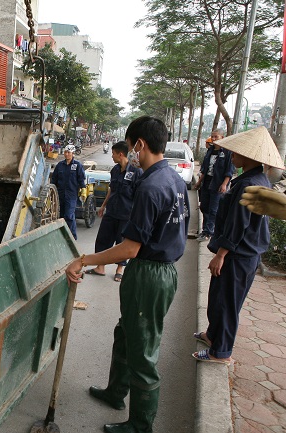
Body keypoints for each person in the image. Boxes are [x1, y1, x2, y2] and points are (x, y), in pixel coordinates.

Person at [66, 116, 189, 433]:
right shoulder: (175, 180)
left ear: (140, 145)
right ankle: (115, 393)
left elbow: (130, 249)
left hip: (149, 273)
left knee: (143, 349)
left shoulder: (150, 186)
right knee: (127, 333)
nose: (131, 152)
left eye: (132, 146)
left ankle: (140, 425)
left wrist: (84, 259)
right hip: (160, 271)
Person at [192, 126, 285, 364]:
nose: (232, 155)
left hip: (239, 254)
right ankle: (213, 336)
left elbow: (238, 224)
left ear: (250, 157)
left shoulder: (249, 184)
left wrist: (221, 254)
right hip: (240, 252)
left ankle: (220, 352)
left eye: (237, 152)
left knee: (228, 303)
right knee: (218, 297)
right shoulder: (252, 180)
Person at [85, 141, 142, 281]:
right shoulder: (115, 170)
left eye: (113, 154)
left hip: (126, 214)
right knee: (103, 238)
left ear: (120, 154)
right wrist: (103, 205)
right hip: (111, 211)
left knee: (121, 242)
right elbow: (111, 189)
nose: (112, 156)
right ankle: (100, 267)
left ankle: (120, 269)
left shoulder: (136, 172)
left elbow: (139, 195)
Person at [194, 129, 234, 242]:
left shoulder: (227, 153)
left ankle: (208, 232)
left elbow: (229, 171)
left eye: (216, 137)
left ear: (222, 137)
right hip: (207, 182)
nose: (214, 139)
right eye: (212, 137)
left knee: (213, 209)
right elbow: (204, 169)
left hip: (218, 184)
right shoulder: (210, 151)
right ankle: (205, 229)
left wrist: (224, 184)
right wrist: (199, 182)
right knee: (204, 206)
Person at [51, 144, 86, 240]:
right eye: (65, 152)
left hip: (71, 195)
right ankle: (62, 236)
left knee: (69, 216)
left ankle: (72, 238)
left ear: (73, 153)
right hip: (60, 194)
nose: (66, 154)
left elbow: (81, 179)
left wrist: (83, 189)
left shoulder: (77, 165)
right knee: (61, 216)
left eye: (68, 152)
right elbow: (54, 179)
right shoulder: (60, 165)